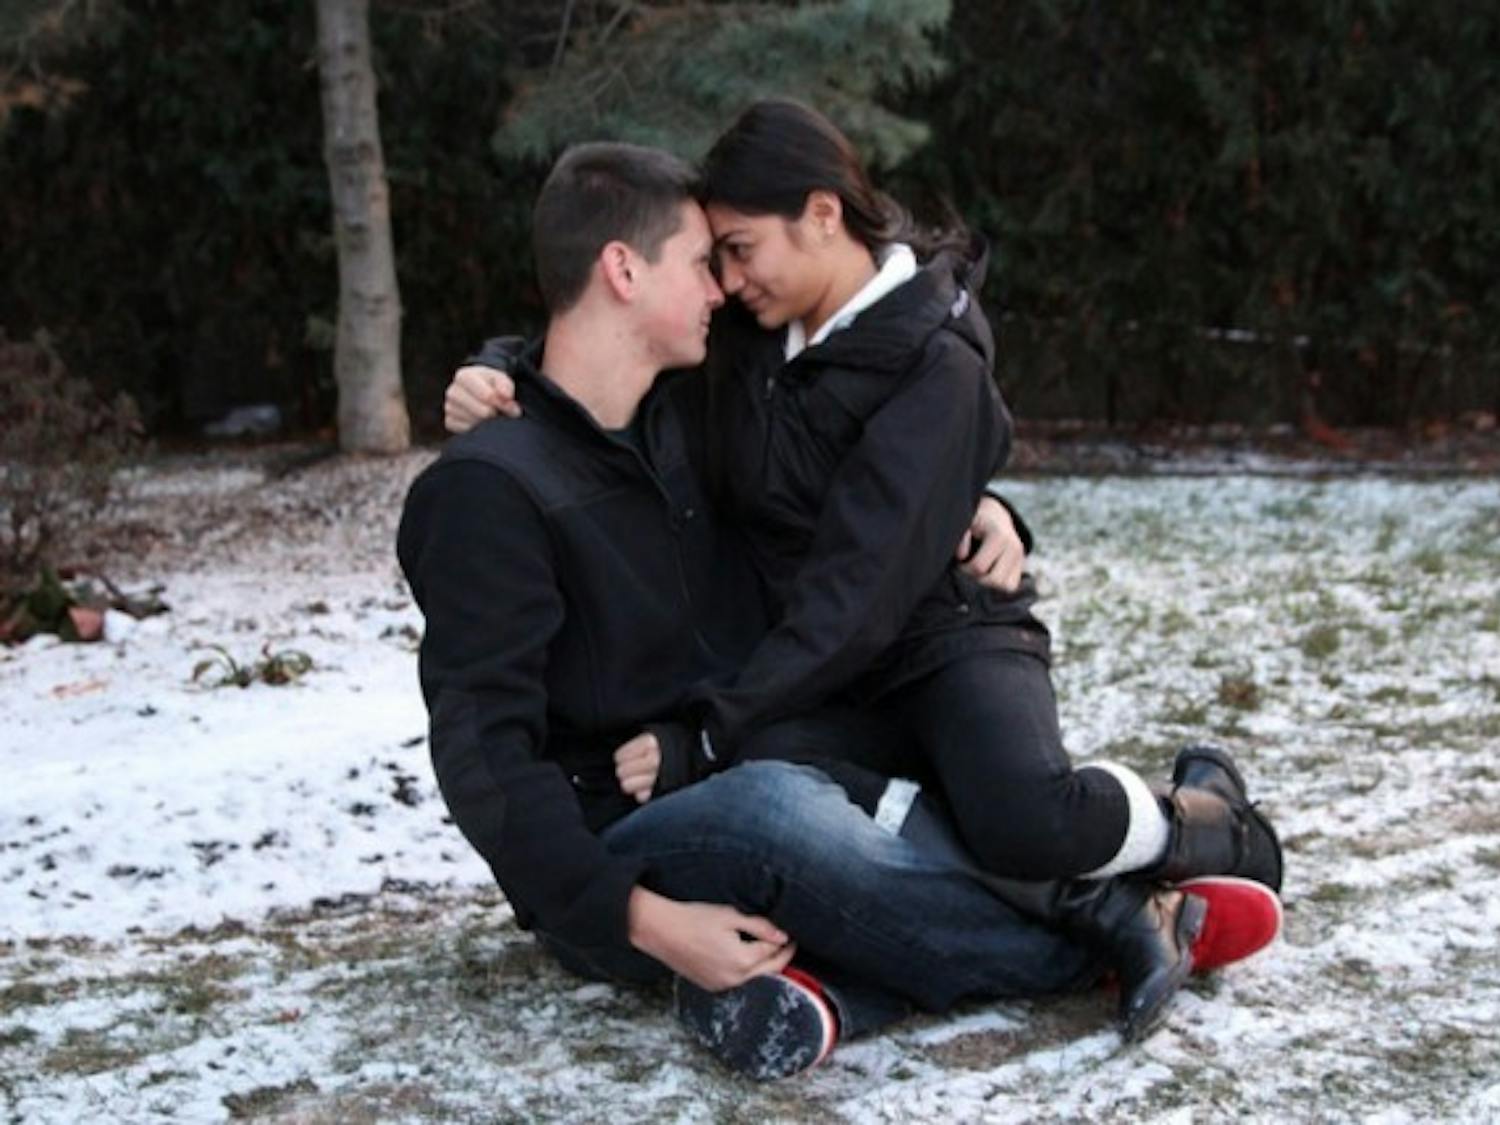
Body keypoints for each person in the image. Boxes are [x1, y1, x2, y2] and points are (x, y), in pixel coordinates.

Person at [403, 140, 1282, 1081]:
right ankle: (1114, 930)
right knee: (775, 806)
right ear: (622, 270)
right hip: (622, 847)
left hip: (758, 744)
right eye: (704, 262)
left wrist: (973, 504)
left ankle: (870, 981)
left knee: (911, 770)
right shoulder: (488, 491)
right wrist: (645, 921)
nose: (723, 288)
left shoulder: (684, 412)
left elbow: (849, 480)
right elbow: (485, 761)